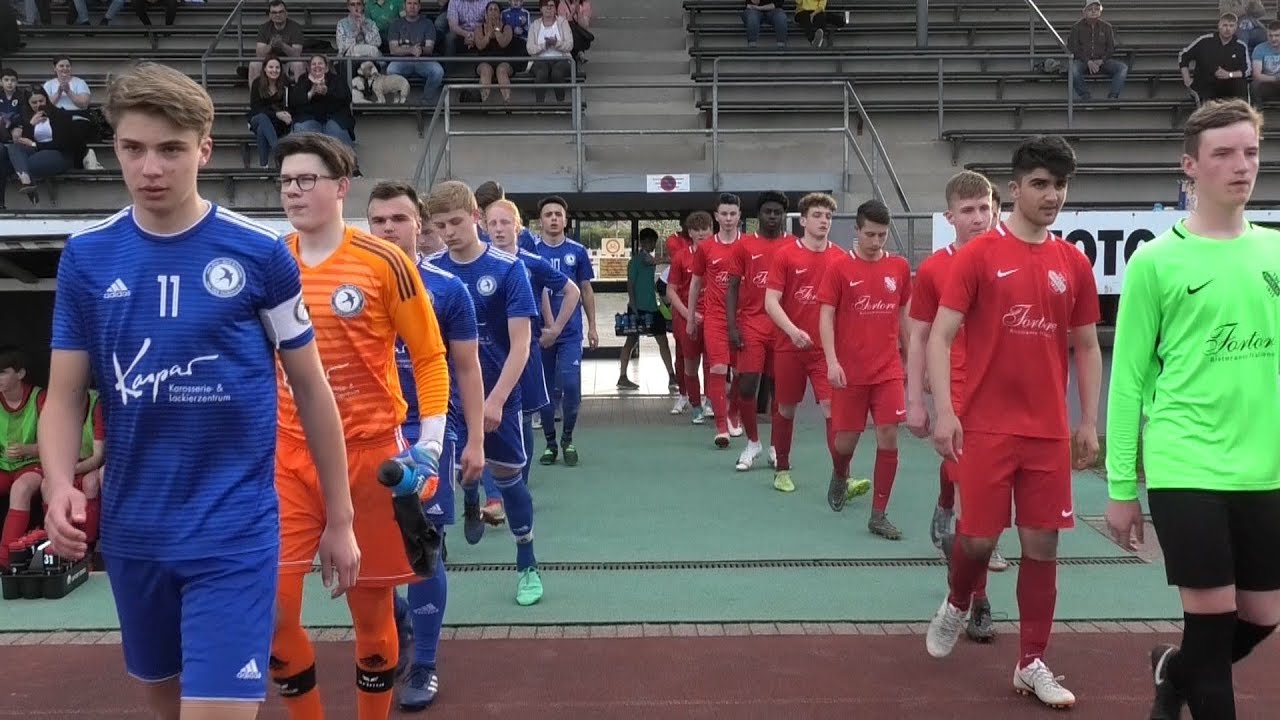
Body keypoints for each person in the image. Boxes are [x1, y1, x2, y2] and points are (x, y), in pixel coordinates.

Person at [38, 62, 359, 720]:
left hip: (234, 533)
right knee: (165, 704)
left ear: (204, 150)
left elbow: (312, 390)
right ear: (114, 149)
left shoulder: (260, 253)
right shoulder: (87, 258)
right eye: (134, 149)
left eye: (171, 150)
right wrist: (57, 482)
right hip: (134, 535)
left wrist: (341, 518)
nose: (151, 168)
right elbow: (66, 395)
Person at [1106, 99, 1280, 720]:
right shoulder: (1157, 263)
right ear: (1190, 166)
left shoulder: (1276, 253)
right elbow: (1126, 383)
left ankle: (1170, 669)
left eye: (1251, 152)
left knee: (1262, 616)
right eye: (1224, 154)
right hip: (1187, 464)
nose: (1242, 166)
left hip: (1264, 469)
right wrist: (1122, 486)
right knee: (1211, 629)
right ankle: (1189, 671)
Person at [272, 132, 450, 720]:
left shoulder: (386, 261)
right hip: (289, 458)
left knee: (372, 614)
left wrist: (429, 442)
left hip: (369, 458)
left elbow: (428, 355)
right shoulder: (270, 261)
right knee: (274, 610)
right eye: (286, 181)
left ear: (340, 187)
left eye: (307, 180)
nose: (293, 191)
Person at [923, 134, 1102, 710]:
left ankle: (1031, 663)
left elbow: (1086, 347)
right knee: (977, 539)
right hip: (987, 427)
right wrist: (946, 412)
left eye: (1060, 185)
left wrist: (1087, 422)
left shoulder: (1072, 261)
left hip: (1047, 431)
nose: (1052, 195)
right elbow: (941, 333)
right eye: (1041, 184)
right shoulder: (978, 256)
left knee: (1042, 546)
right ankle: (956, 601)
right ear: (1015, 189)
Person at [365, 180, 486, 713]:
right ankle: (398, 618)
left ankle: (426, 662)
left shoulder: (447, 290)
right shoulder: (348, 283)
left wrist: (476, 439)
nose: (388, 229)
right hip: (363, 434)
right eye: (378, 220)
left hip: (426, 432)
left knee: (422, 547)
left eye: (398, 219)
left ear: (422, 226)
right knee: (368, 545)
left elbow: (466, 367)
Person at [427, 180, 545, 607]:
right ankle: (438, 540)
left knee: (510, 480)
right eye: (440, 225)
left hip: (499, 395)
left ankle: (527, 562)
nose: (449, 232)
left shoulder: (507, 269)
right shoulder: (431, 271)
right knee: (429, 479)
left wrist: (494, 400)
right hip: (446, 397)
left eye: (456, 222)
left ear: (475, 217)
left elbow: (522, 344)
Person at [904, 171, 1001, 643]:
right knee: (976, 509)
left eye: (985, 208)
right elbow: (918, 335)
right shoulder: (935, 270)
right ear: (949, 217)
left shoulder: (1011, 258)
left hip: (1002, 398)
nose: (979, 218)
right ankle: (977, 600)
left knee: (985, 503)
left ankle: (945, 502)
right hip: (955, 395)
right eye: (968, 210)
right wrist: (915, 400)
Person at [817, 199, 910, 538]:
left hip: (888, 370)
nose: (875, 242)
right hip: (849, 373)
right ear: (856, 230)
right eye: (869, 234)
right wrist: (831, 361)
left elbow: (903, 314)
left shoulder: (899, 268)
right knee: (845, 442)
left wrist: (910, 358)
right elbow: (825, 315)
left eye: (882, 235)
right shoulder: (840, 268)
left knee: (888, 435)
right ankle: (840, 473)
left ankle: (879, 514)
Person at [763, 192, 861, 497]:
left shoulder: (841, 259)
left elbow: (849, 307)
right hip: (790, 346)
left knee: (834, 409)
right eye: (817, 216)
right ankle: (782, 468)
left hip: (824, 351)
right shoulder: (786, 255)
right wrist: (792, 331)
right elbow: (770, 302)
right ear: (803, 220)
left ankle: (843, 476)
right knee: (786, 409)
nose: (823, 221)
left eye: (828, 217)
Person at [486, 198, 579, 504]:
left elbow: (572, 290)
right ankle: (490, 497)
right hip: (485, 355)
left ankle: (517, 488)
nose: (499, 229)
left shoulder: (530, 262)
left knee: (523, 419)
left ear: (518, 227)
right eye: (492, 224)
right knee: (483, 418)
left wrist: (554, 328)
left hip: (524, 354)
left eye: (505, 223)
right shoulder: (478, 262)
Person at [727, 191, 791, 470]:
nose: (773, 217)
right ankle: (753, 442)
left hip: (783, 329)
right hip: (752, 326)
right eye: (768, 212)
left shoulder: (793, 246)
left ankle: (777, 446)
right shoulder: (744, 246)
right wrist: (732, 325)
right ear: (758, 215)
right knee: (746, 386)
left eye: (778, 212)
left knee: (781, 391)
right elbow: (731, 286)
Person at [534, 195, 596, 467]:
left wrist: (593, 325)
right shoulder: (532, 250)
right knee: (546, 390)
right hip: (542, 333)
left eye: (558, 214)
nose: (554, 219)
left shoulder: (577, 251)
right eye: (548, 214)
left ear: (566, 219)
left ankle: (567, 439)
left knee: (571, 385)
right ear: (541, 221)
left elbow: (585, 289)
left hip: (570, 331)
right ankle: (549, 443)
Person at [687, 193, 745, 447]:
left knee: (744, 373)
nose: (729, 218)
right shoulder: (707, 247)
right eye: (724, 214)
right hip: (715, 318)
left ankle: (733, 410)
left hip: (745, 319)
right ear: (717, 216)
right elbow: (696, 283)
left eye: (733, 214)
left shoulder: (750, 245)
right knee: (718, 368)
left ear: (739, 216)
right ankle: (721, 426)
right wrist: (690, 318)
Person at [666, 211, 714, 425]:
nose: (701, 233)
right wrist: (689, 315)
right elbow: (671, 291)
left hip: (715, 319)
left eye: (705, 228)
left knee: (716, 364)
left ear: (712, 230)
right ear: (690, 233)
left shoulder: (721, 254)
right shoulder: (681, 257)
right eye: (696, 229)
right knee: (690, 364)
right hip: (688, 318)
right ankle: (695, 405)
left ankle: (712, 402)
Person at [618, 228, 676, 390]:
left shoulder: (647, 259)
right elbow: (630, 284)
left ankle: (672, 376)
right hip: (638, 307)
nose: (652, 245)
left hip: (652, 306)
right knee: (630, 341)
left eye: (654, 242)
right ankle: (622, 376)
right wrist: (633, 305)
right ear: (644, 242)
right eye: (651, 242)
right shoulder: (638, 260)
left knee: (662, 341)